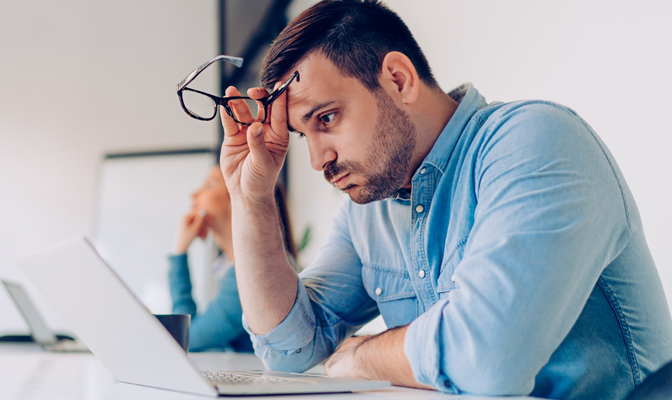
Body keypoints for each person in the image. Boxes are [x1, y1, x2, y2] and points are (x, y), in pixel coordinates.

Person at [206, 1, 672, 399]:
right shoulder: (369, 213)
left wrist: (365, 354)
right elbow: (289, 350)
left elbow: (488, 358)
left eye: (326, 118)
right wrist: (251, 198)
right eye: (303, 133)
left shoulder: (534, 140)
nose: (316, 159)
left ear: (398, 78)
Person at [167, 165, 297, 352]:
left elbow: (186, 338)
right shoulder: (229, 268)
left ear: (237, 197)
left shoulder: (254, 273)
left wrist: (179, 253)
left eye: (209, 185)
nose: (194, 195)